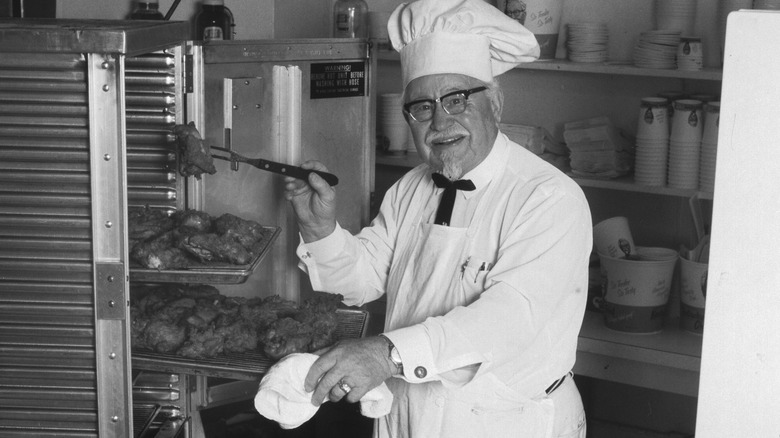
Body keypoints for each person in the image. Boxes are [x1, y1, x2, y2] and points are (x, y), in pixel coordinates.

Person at [282, 0, 592, 436]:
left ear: (496, 105)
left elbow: (508, 321)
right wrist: (320, 228)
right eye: (422, 107)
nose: (440, 121)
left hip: (503, 420)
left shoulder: (547, 197)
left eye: (457, 99)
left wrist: (383, 355)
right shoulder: (411, 187)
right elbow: (362, 280)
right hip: (405, 412)